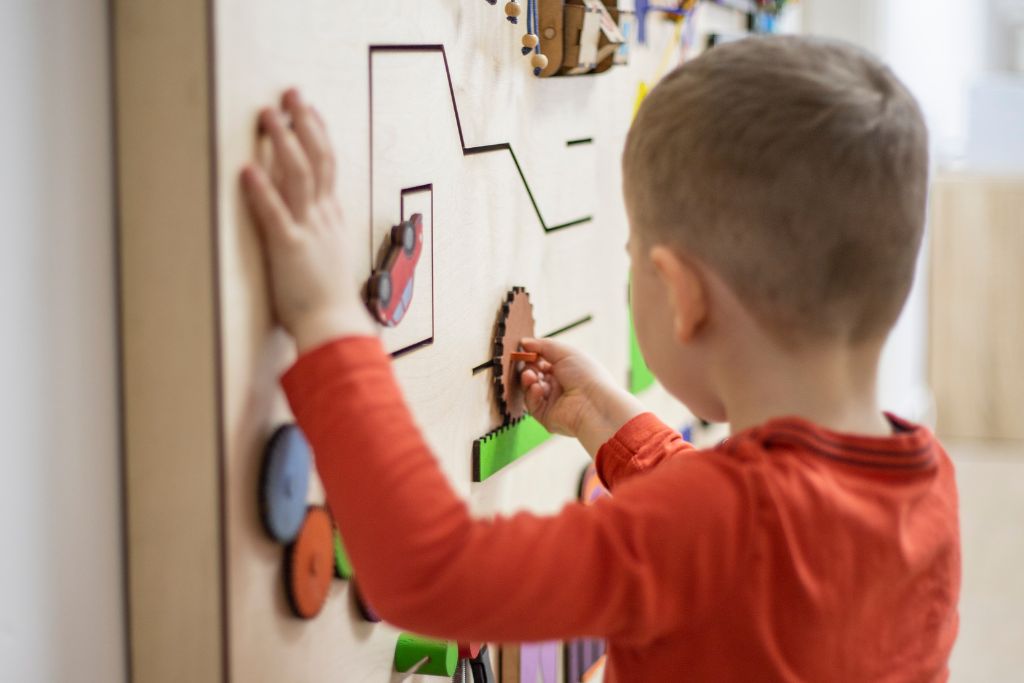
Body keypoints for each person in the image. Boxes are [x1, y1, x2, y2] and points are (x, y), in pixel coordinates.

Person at [241, 35, 959, 681]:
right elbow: (763, 542)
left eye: (631, 261)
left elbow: (427, 574)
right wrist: (611, 422)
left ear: (682, 297)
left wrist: (328, 316)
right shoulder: (925, 486)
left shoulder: (709, 528)